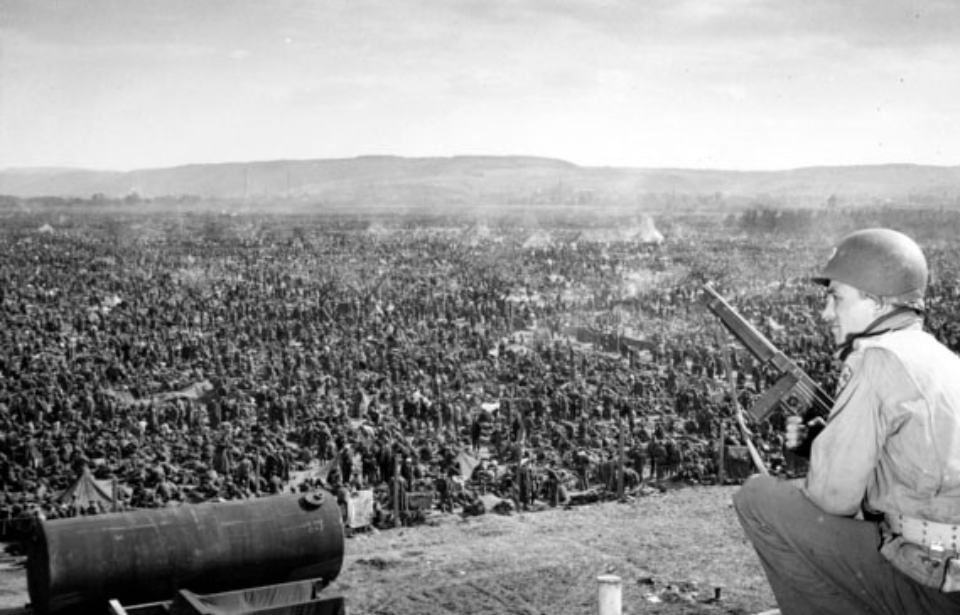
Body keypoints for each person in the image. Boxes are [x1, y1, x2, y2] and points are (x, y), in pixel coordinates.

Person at [733, 228, 960, 614]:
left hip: (925, 581)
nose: (826, 313)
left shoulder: (876, 358)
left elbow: (832, 499)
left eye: (836, 298)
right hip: (945, 566)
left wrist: (821, 451)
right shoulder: (941, 359)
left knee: (758, 499)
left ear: (875, 303)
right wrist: (822, 443)